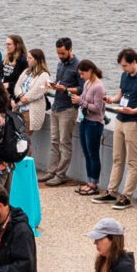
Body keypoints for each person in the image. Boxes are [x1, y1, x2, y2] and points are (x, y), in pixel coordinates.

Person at [104, 48, 137, 207]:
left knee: (132, 161)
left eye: (125, 66)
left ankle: (127, 196)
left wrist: (134, 110)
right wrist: (111, 99)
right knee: (117, 158)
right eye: (122, 66)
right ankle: (111, 191)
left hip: (136, 121)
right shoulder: (124, 76)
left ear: (134, 62)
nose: (123, 69)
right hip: (121, 118)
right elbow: (120, 95)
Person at [46, 39, 81, 188]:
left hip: (68, 109)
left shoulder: (78, 66)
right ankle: (51, 171)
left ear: (70, 49)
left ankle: (61, 174)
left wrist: (65, 89)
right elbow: (61, 82)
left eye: (63, 53)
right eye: (58, 53)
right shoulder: (60, 64)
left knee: (64, 143)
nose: (60, 56)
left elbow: (81, 89)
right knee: (54, 141)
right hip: (56, 106)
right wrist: (53, 85)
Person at [72, 60, 108, 198]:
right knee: (86, 153)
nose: (81, 76)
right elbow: (83, 99)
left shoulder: (98, 87)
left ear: (90, 71)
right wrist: (78, 100)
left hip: (94, 123)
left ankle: (94, 183)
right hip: (85, 120)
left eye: (83, 73)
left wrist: (80, 102)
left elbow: (98, 108)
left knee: (93, 154)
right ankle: (89, 180)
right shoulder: (87, 83)